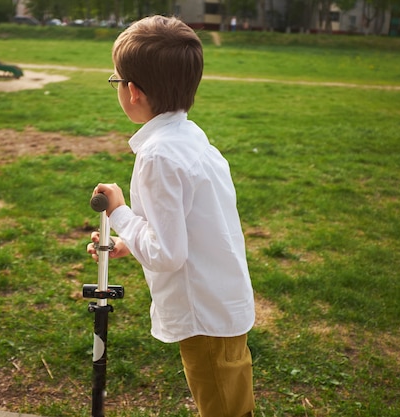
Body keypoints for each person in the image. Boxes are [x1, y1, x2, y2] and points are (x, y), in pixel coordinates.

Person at [87, 15, 255, 417]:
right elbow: (185, 228)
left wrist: (119, 211)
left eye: (115, 81)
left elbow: (168, 254)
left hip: (205, 315)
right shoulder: (189, 137)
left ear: (133, 92)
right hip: (220, 302)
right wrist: (130, 243)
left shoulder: (158, 155)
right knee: (231, 404)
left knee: (224, 411)